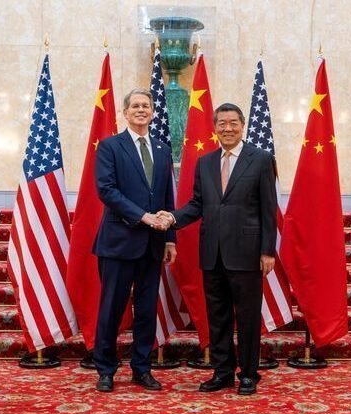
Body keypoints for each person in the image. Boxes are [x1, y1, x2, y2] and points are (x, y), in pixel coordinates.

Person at [157, 103, 277, 395]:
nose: (228, 128)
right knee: (218, 317)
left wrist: (267, 251)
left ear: (242, 125)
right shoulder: (206, 162)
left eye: (233, 123)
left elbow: (268, 208)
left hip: (247, 253)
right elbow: (198, 204)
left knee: (247, 318)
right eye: (222, 123)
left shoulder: (261, 159)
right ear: (215, 128)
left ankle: (248, 374)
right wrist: (172, 217)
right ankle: (223, 372)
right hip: (212, 253)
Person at [92, 88, 177, 392]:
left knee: (146, 311)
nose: (141, 110)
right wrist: (143, 216)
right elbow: (106, 190)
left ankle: (142, 368)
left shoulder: (163, 150)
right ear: (125, 112)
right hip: (118, 242)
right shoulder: (110, 146)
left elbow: (166, 196)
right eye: (136, 106)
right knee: (112, 309)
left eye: (146, 106)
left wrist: (170, 239)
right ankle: (105, 369)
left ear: (153, 112)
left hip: (153, 245)